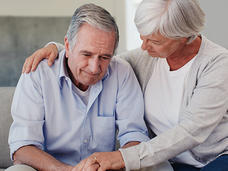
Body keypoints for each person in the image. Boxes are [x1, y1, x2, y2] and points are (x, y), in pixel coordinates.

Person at [22, 0, 228, 171]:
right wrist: (58, 49)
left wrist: (122, 157)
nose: (144, 47)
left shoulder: (218, 65)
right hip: (168, 162)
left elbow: (190, 132)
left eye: (154, 41)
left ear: (183, 36)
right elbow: (100, 61)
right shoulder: (149, 57)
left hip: (213, 159)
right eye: (142, 38)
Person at [7, 3, 151, 171]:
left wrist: (112, 164)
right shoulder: (37, 73)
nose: (94, 67)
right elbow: (22, 148)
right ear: (67, 46)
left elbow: (135, 135)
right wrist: (67, 170)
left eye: (104, 57)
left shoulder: (122, 72)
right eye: (86, 54)